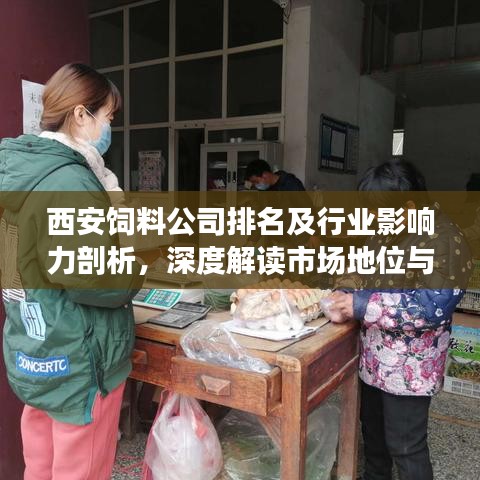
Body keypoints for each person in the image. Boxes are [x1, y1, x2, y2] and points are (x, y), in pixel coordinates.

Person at [0, 63, 144, 480]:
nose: (109, 128)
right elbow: (95, 279)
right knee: (81, 471)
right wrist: (137, 265)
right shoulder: (71, 181)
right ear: (81, 114)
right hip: (79, 363)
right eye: (108, 117)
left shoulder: (18, 173)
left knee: (41, 467)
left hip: (34, 347)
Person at [326, 160, 471, 480]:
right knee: (373, 436)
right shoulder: (386, 231)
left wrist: (360, 305)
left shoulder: (445, 240)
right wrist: (345, 289)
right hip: (373, 359)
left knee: (406, 446)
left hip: (409, 370)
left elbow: (431, 307)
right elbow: (363, 269)